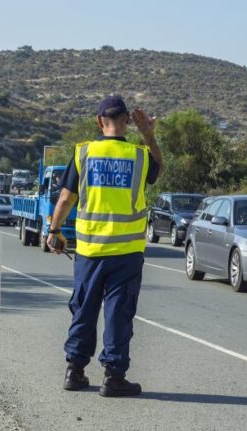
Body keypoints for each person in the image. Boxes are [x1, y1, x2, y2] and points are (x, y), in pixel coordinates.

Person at [46, 95, 162, 397]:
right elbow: (157, 169)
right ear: (126, 121)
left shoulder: (84, 153)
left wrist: (54, 231)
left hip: (89, 252)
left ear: (100, 121)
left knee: (84, 309)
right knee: (118, 313)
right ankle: (114, 377)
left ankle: (74, 371)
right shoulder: (139, 155)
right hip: (126, 254)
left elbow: (65, 198)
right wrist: (148, 135)